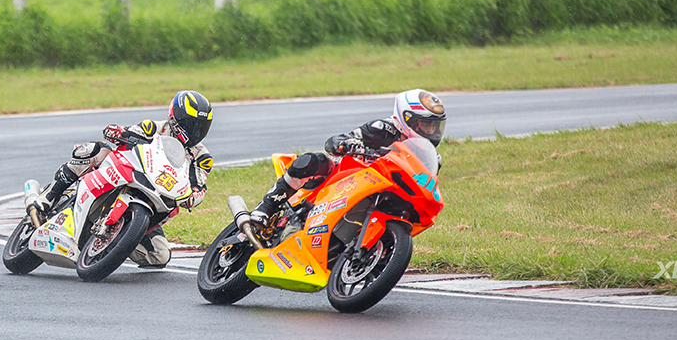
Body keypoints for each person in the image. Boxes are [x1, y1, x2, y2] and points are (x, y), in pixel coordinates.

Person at [28, 90, 214, 268]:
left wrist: (195, 196)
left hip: (155, 201)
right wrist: (118, 133)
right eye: (192, 125)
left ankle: (117, 242)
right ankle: (49, 196)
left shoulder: (202, 157)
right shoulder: (154, 128)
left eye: (201, 127)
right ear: (175, 118)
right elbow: (123, 133)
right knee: (97, 150)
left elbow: (199, 184)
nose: (196, 132)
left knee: (160, 255)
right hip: (129, 177)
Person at [249, 89, 446, 227]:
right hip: (350, 177)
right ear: (406, 118)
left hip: (385, 192)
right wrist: (348, 144)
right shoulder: (382, 129)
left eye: (434, 127)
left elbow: (424, 184)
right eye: (425, 125)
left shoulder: (432, 158)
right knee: (314, 161)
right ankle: (266, 207)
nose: (430, 131)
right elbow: (338, 142)